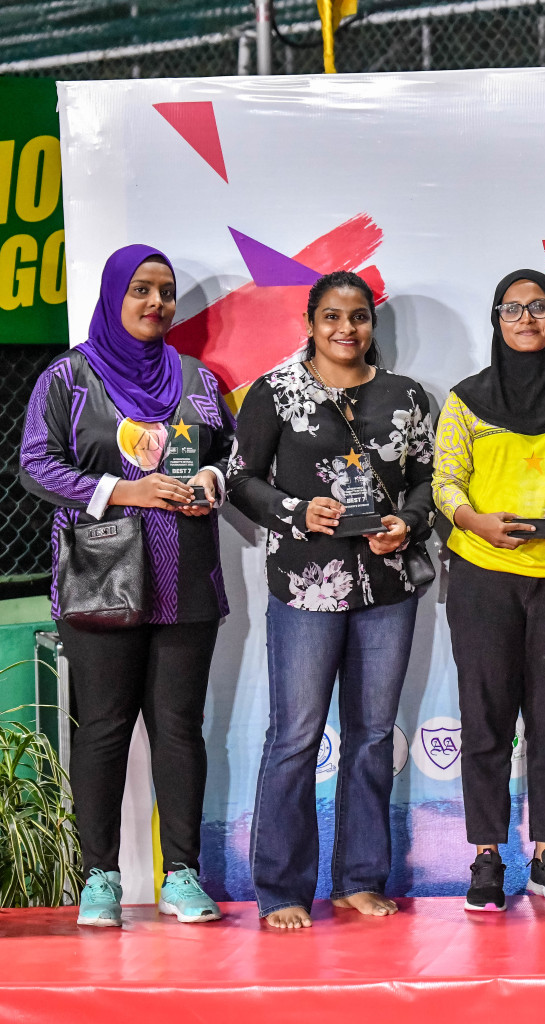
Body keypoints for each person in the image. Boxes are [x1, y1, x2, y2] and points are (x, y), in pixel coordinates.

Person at [20, 244, 233, 928]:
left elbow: (234, 452)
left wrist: (212, 479)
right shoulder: (68, 377)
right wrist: (122, 488)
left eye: (165, 292)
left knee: (179, 730)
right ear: (114, 295)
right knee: (105, 729)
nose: (155, 304)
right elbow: (34, 464)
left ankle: (183, 876)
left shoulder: (199, 379)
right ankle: (100, 880)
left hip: (186, 582)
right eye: (141, 290)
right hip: (99, 581)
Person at [227, 270, 435, 929]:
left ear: (373, 324)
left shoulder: (406, 397)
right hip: (305, 589)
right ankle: (281, 889)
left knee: (373, 736)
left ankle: (357, 880)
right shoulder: (278, 392)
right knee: (295, 735)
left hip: (387, 589)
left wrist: (410, 522)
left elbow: (431, 480)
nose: (347, 329)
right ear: (310, 323)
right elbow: (241, 480)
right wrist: (294, 510)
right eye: (332, 317)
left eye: (359, 316)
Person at [434, 270, 545, 910]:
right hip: (483, 576)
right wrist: (470, 519)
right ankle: (486, 856)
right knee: (484, 718)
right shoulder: (464, 400)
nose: (527, 318)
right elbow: (445, 482)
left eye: (540, 307)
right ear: (495, 320)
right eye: (512, 308)